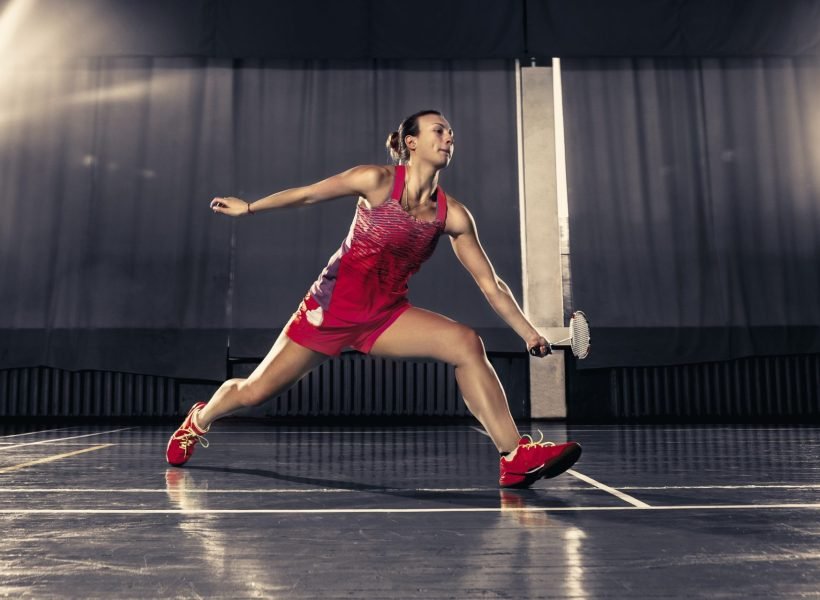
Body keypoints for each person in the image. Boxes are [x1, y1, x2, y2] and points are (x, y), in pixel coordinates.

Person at [165, 110, 581, 488]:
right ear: (411, 142)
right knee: (254, 392)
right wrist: (250, 208)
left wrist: (528, 332)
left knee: (466, 343)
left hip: (384, 316)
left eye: (451, 133)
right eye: (439, 131)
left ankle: (514, 455)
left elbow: (491, 284)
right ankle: (199, 419)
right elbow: (309, 193)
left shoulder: (453, 215)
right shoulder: (375, 181)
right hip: (327, 311)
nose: (449, 138)